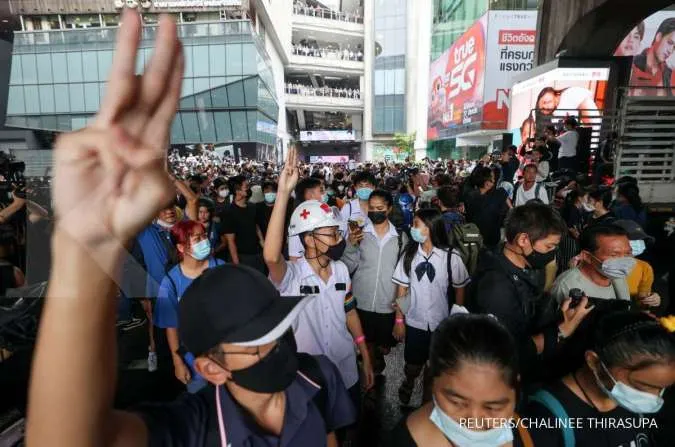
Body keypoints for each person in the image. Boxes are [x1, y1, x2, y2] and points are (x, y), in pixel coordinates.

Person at [25, 11, 356, 446]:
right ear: (211, 369)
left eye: (279, 333)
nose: (279, 352)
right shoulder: (195, 429)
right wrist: (86, 247)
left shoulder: (318, 378)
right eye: (255, 347)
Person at [264, 147, 375, 420]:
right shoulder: (291, 276)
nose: (338, 240)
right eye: (331, 234)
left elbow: (350, 313)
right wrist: (282, 194)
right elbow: (270, 255)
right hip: (307, 378)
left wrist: (365, 355)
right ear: (310, 238)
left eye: (338, 233)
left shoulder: (340, 272)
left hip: (345, 369)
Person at [468, 202, 593, 385]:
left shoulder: (525, 264)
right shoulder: (496, 287)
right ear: (523, 240)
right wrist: (561, 331)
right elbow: (507, 353)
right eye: (549, 247)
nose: (552, 254)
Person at [525, 311, 675, 446]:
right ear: (594, 362)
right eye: (641, 387)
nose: (654, 399)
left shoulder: (632, 406)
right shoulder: (544, 421)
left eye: (662, 388)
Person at [388, 314, 534, 447]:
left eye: (493, 408)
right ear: (432, 382)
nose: (474, 424)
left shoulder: (535, 434)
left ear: (515, 390)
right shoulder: (402, 442)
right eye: (457, 403)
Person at [392, 208, 471, 405]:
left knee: (435, 366)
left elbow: (460, 290)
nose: (412, 228)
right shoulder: (409, 255)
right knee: (412, 363)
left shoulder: (451, 257)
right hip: (415, 321)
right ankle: (409, 381)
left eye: (416, 224)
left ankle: (426, 404)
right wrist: (399, 320)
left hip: (441, 323)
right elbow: (402, 289)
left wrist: (456, 321)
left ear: (429, 228)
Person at [341, 189, 407, 379]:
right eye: (371, 208)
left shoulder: (401, 238)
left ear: (389, 209)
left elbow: (404, 276)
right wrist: (351, 245)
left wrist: (401, 312)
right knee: (366, 343)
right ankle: (371, 379)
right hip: (362, 302)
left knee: (384, 346)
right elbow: (348, 265)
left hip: (388, 303)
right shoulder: (360, 234)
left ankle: (378, 357)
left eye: (380, 208)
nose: (375, 211)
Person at [154, 220, 225, 392]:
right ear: (181, 248)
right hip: (194, 362)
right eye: (197, 239)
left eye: (204, 236)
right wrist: (177, 361)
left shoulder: (222, 269)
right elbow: (171, 326)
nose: (204, 241)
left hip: (226, 355)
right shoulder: (170, 282)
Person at [551, 224, 633, 304]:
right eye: (614, 255)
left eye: (628, 253)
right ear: (587, 256)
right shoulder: (567, 286)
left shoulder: (618, 276)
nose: (623, 260)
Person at [612, 219, 661, 309]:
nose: (638, 244)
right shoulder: (600, 266)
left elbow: (642, 304)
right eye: (633, 240)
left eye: (640, 241)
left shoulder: (644, 268)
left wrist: (651, 299)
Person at [221, 175, 265, 273]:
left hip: (257, 255)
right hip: (242, 257)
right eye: (246, 187)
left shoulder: (252, 207)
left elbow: (255, 226)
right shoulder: (229, 212)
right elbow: (230, 241)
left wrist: (263, 243)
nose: (249, 189)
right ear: (237, 191)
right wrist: (237, 265)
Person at [464, 166, 510, 250]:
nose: (495, 180)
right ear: (486, 182)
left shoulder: (469, 196)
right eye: (492, 178)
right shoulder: (498, 195)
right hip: (491, 240)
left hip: (473, 238)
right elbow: (510, 208)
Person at [631, 18, 675, 96]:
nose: (670, 51)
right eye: (670, 42)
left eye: (674, 47)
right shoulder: (631, 65)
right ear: (658, 36)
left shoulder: (669, 74)